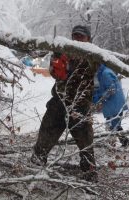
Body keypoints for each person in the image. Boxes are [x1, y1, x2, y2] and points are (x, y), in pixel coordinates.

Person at [31, 25, 97, 182]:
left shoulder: (94, 54)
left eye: (81, 37)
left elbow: (92, 69)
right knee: (46, 133)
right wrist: (57, 65)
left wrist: (72, 61)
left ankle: (89, 173)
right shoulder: (63, 50)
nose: (77, 39)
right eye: (75, 36)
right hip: (59, 101)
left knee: (85, 141)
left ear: (88, 39)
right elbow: (55, 73)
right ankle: (36, 165)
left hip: (80, 104)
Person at [93, 64, 129, 147]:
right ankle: (118, 144)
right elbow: (104, 88)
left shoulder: (105, 73)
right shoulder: (104, 72)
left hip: (114, 104)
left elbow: (111, 89)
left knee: (114, 126)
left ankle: (124, 144)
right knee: (113, 125)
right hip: (114, 104)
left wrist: (101, 98)